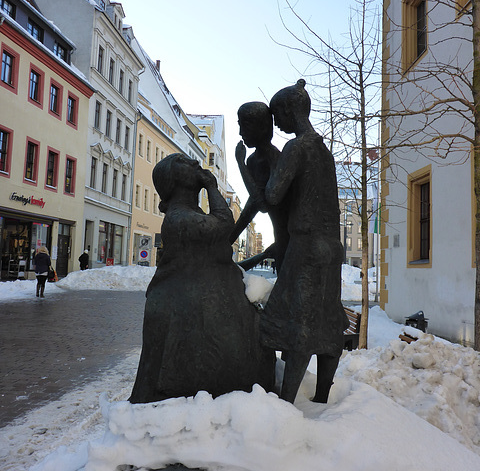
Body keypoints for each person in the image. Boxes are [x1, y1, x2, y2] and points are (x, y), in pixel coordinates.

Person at [130, 153, 275, 404]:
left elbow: (218, 255)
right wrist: (211, 185)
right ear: (173, 179)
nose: (195, 163)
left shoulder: (191, 212)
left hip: (203, 301)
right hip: (188, 307)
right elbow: (223, 225)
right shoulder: (179, 217)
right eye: (185, 163)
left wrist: (257, 257)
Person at [260, 79, 349, 404]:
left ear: (287, 110)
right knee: (326, 319)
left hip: (306, 245)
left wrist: (263, 170)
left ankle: (285, 402)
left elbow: (273, 193)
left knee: (298, 321)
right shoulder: (324, 151)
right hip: (332, 247)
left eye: (277, 115)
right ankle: (322, 395)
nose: (276, 123)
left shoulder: (297, 148)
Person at [229, 101, 289, 273]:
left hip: (289, 235)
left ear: (262, 127)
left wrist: (240, 165)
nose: (241, 133)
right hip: (281, 236)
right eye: (240, 126)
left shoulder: (274, 158)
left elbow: (262, 204)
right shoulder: (253, 160)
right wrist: (228, 239)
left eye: (245, 126)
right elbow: (251, 206)